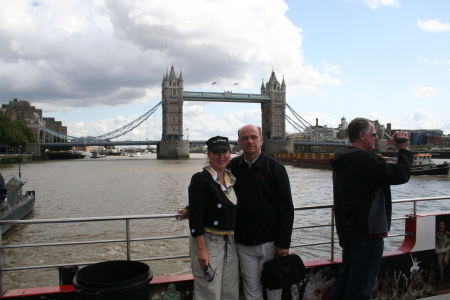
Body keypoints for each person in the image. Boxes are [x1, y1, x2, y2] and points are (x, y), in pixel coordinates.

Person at [179, 125, 294, 300]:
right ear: (239, 142)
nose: (250, 141)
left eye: (254, 137)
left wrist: (284, 242)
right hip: (243, 242)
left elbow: (286, 207)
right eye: (245, 138)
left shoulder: (276, 168)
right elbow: (213, 189)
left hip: (270, 242)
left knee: (274, 288)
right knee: (251, 289)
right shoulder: (234, 168)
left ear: (261, 140)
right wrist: (192, 207)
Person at [330, 118, 413, 300]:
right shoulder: (366, 162)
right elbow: (401, 174)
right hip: (368, 235)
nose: (376, 138)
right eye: (374, 134)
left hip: (348, 232)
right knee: (360, 288)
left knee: (345, 283)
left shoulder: (341, 158)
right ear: (362, 136)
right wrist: (404, 149)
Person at [188, 135, 239, 300]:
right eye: (216, 153)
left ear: (230, 154)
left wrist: (190, 207)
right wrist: (202, 250)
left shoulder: (232, 178)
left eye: (225, 152)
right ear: (208, 155)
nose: (221, 156)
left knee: (229, 290)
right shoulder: (200, 179)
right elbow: (196, 219)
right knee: (209, 291)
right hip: (209, 241)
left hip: (231, 241)